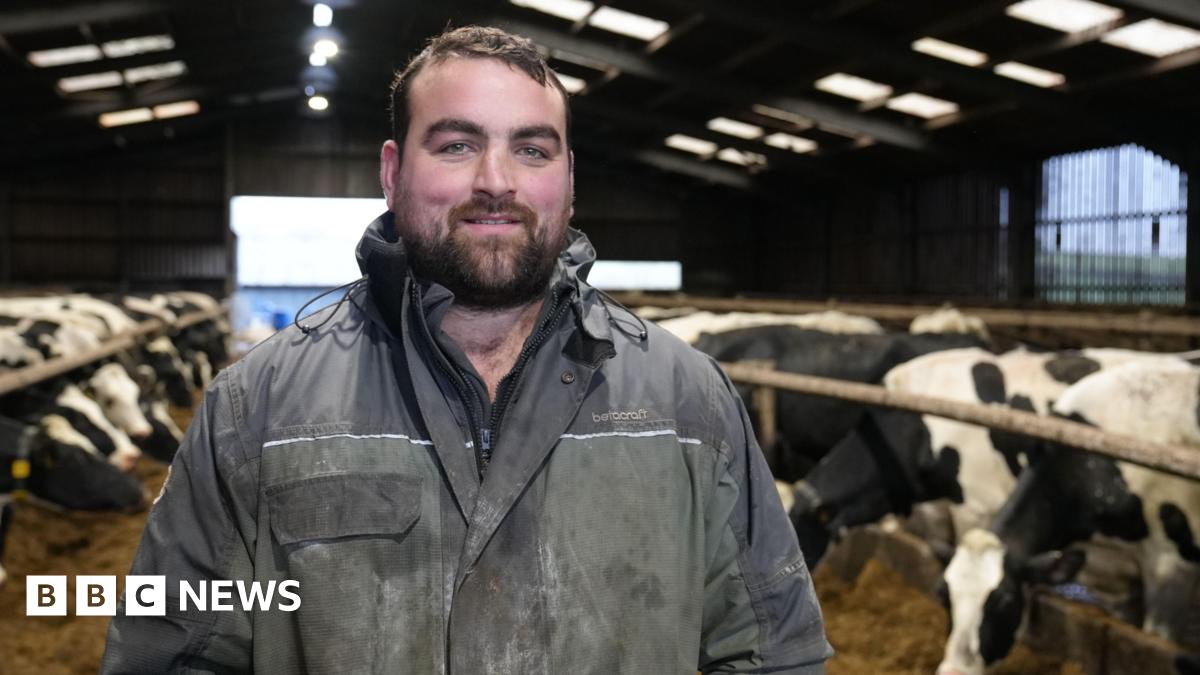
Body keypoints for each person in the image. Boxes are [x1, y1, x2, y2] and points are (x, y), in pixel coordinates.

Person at [101, 25, 831, 674]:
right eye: (457, 144)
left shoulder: (688, 402)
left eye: (531, 148)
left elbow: (771, 650)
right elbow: (171, 653)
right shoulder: (255, 408)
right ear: (393, 173)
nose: (496, 181)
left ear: (569, 180)